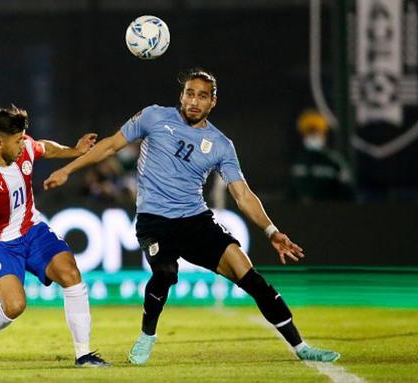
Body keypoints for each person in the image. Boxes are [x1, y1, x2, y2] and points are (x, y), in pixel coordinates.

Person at [44, 69, 341, 364]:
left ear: (213, 102)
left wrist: (271, 231)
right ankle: (147, 336)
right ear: (181, 96)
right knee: (165, 273)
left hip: (196, 221)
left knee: (251, 278)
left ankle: (301, 347)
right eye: (189, 94)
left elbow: (242, 195)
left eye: (202, 96)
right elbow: (109, 145)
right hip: (154, 221)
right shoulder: (154, 117)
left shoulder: (221, 145)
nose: (194, 101)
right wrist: (68, 170)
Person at [0, 105, 109, 368]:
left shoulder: (25, 149)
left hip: (31, 230)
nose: (23, 144)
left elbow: (44, 146)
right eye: (18, 140)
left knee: (70, 274)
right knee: (14, 306)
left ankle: (84, 355)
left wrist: (74, 151)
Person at [289, 109, 355, 203]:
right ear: (303, 135)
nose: (313, 136)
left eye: (317, 131)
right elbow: (292, 192)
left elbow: (347, 192)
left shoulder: (334, 161)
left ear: (324, 133)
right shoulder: (297, 161)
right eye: (309, 132)